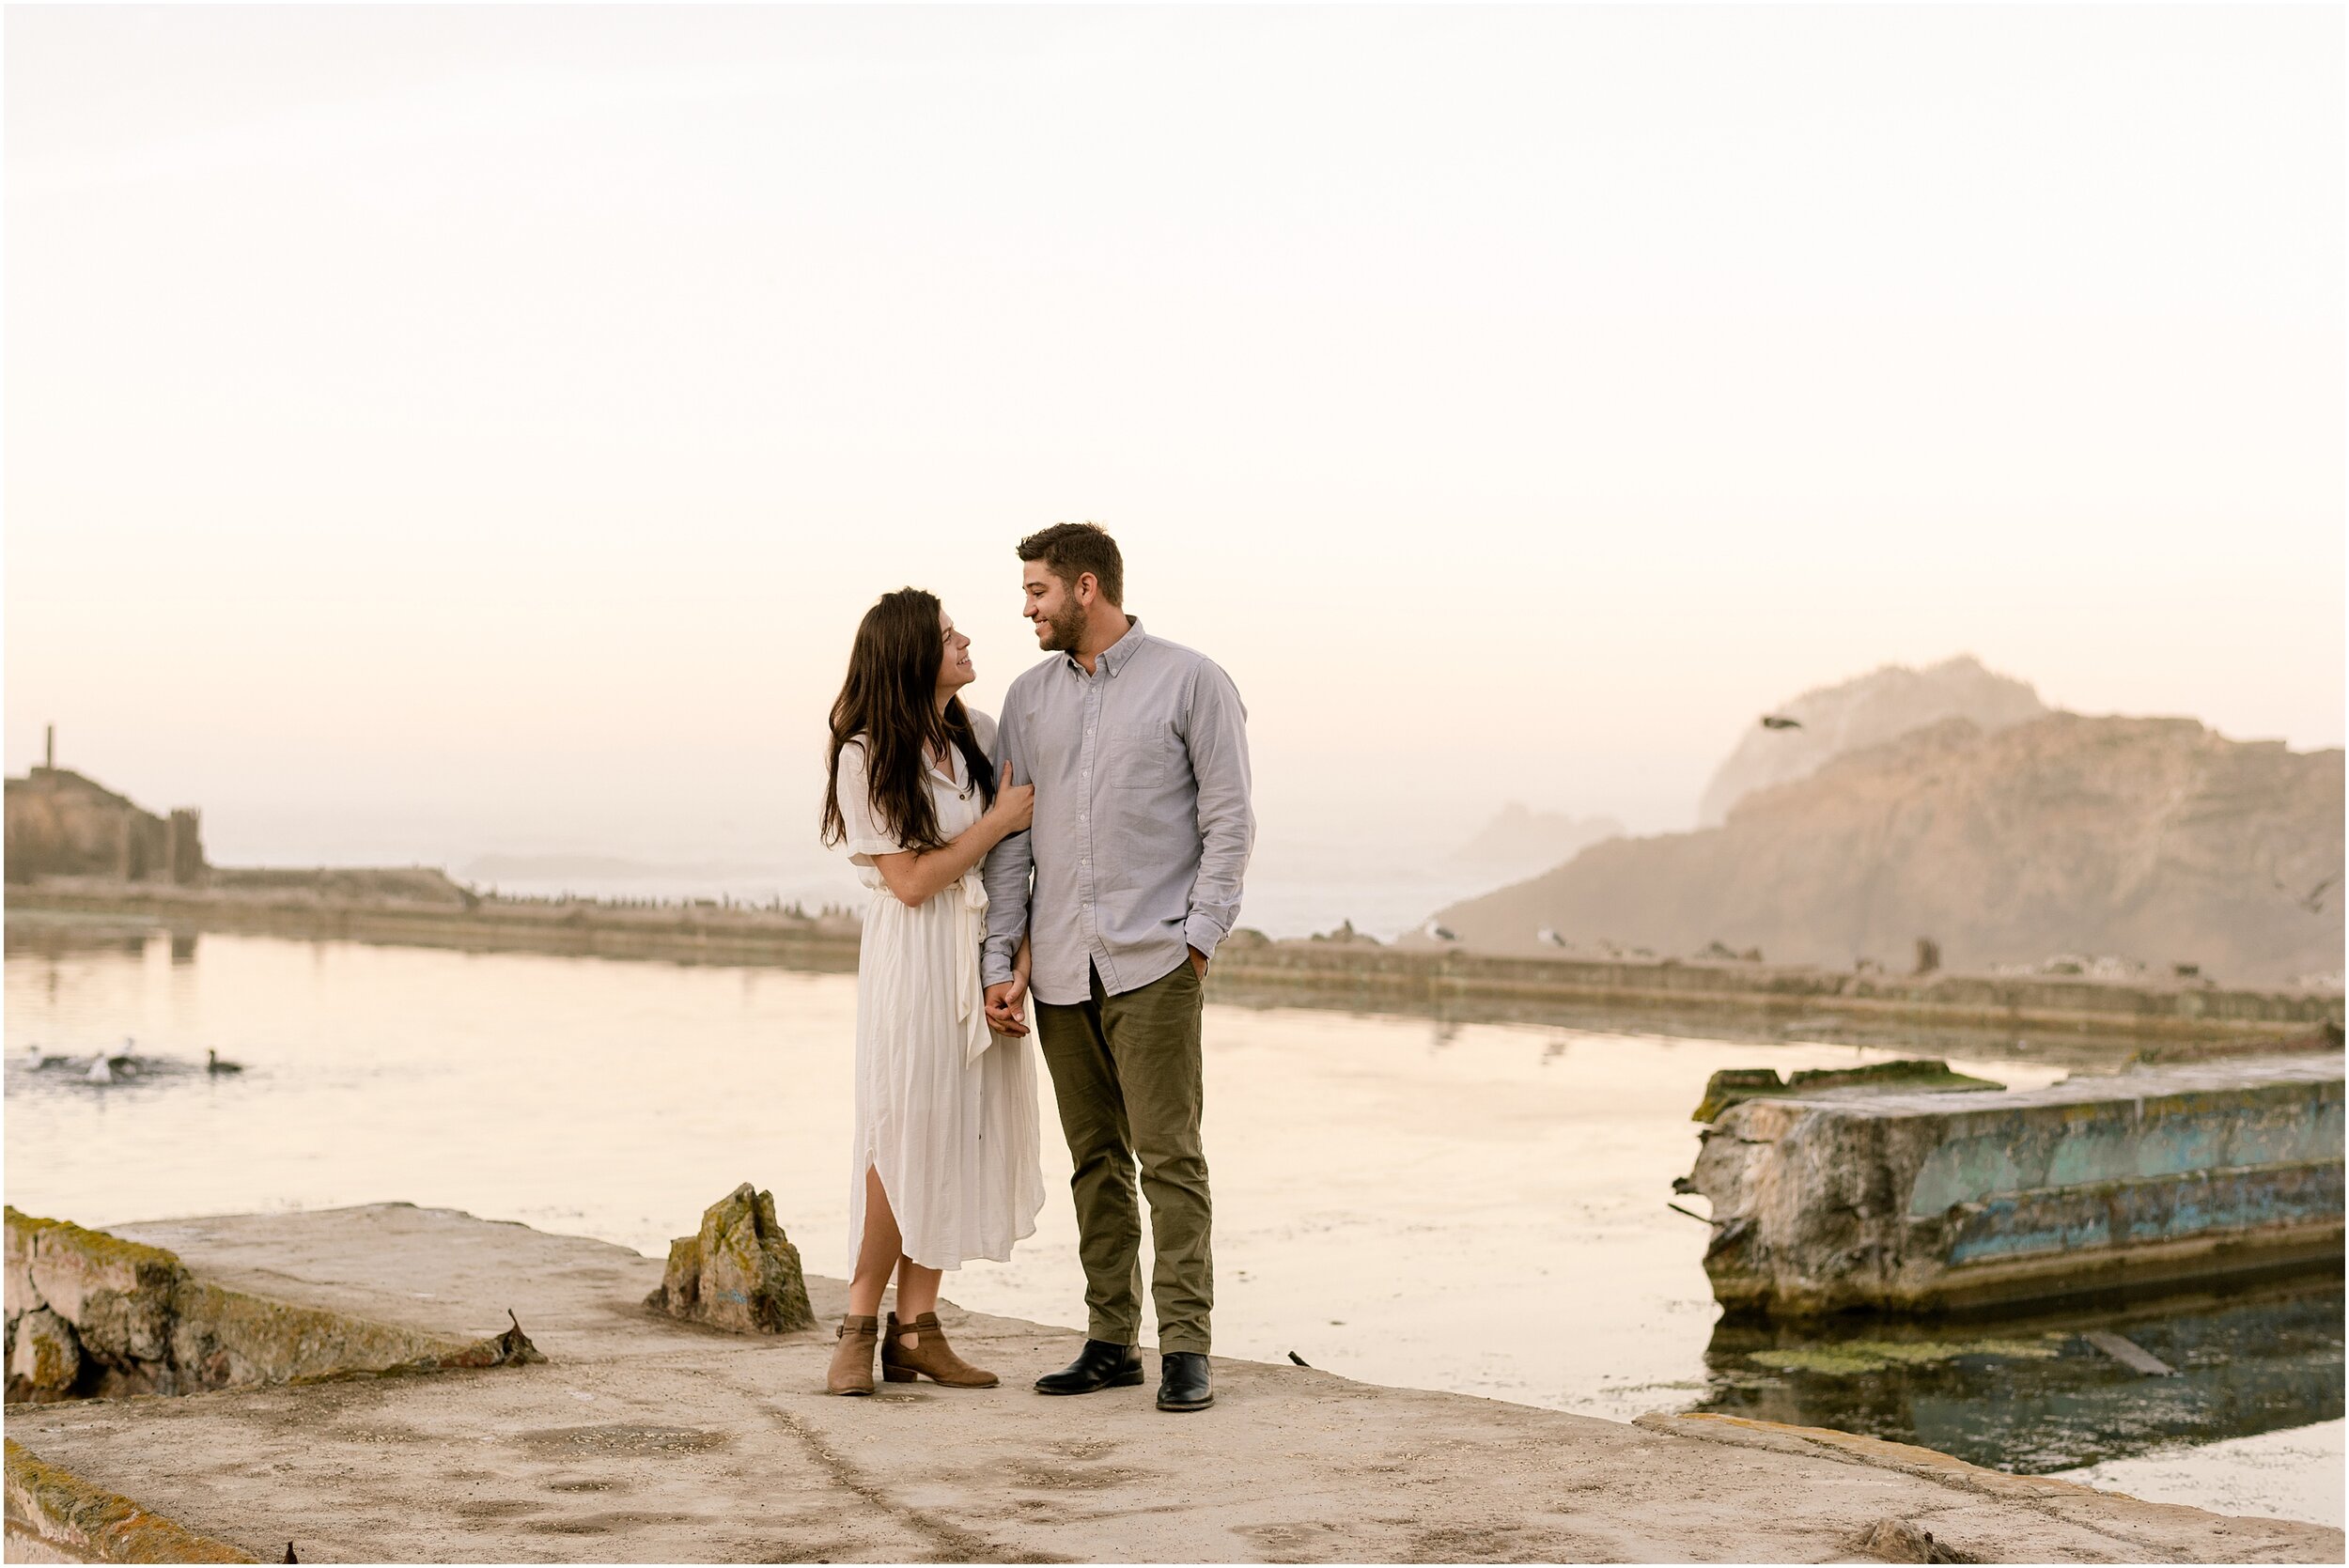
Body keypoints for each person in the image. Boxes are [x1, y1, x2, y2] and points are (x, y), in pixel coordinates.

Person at [980, 523, 1253, 1414]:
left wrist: (1199, 937)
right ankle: (1109, 1341)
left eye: (1038, 593)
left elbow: (1231, 820)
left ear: (1086, 587)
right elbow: (1012, 843)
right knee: (1095, 1160)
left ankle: (1185, 1347)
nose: (1027, 609)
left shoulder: (1192, 680)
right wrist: (1003, 958)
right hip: (1060, 968)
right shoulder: (1026, 700)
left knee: (1170, 1156)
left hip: (1155, 958)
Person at [819, 588, 1046, 1396]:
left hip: (973, 948)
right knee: (899, 1132)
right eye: (949, 634)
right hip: (911, 957)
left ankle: (917, 1326)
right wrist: (996, 823)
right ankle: (858, 1320)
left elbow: (1009, 869)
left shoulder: (976, 737)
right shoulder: (864, 754)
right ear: (912, 653)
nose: (965, 640)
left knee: (954, 1131)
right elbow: (911, 881)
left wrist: (1011, 964)